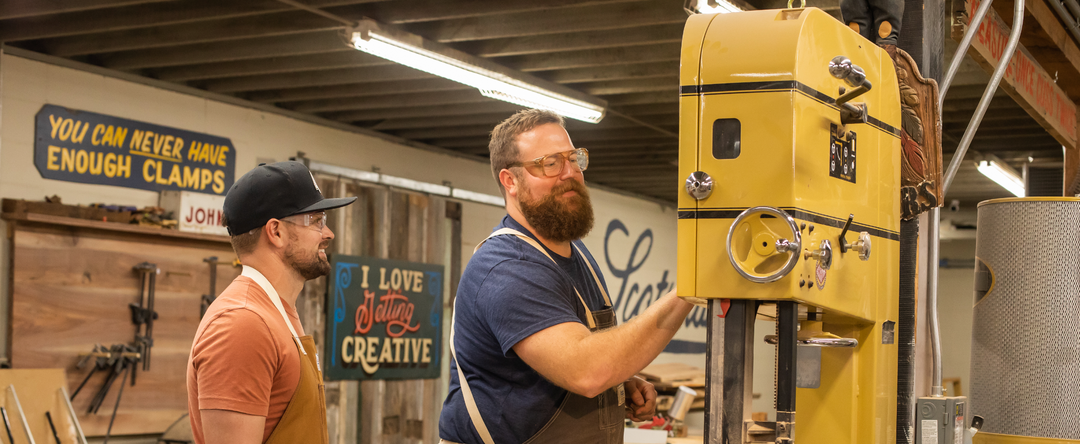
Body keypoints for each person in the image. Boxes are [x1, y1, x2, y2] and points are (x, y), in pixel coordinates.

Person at [439, 109, 695, 444]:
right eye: (550, 163)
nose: (570, 172)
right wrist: (692, 285)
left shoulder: (577, 255)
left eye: (574, 159)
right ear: (510, 181)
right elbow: (586, 371)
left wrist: (617, 385)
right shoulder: (507, 267)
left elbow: (567, 364)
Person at [186, 161, 356, 444]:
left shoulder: (274, 312)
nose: (328, 234)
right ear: (275, 231)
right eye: (316, 220)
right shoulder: (243, 323)